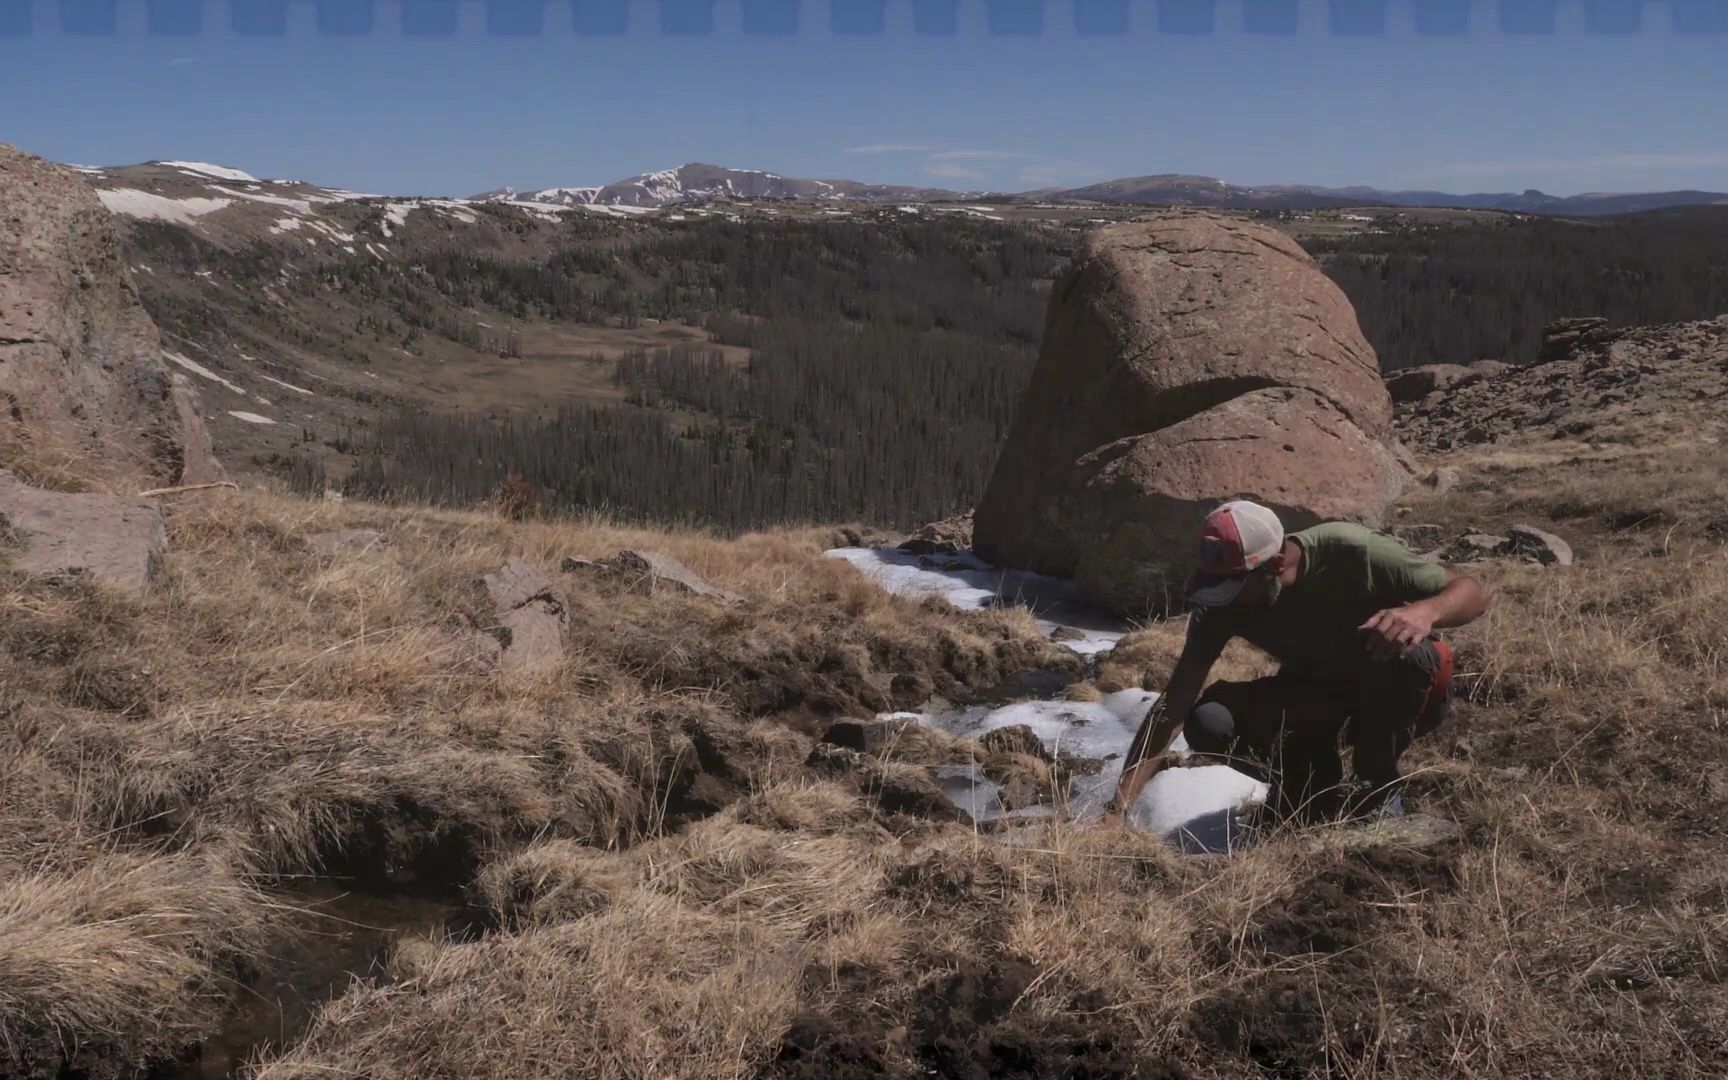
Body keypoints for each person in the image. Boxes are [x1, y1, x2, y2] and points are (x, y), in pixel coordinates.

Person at [1100, 499, 1489, 827]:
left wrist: (1426, 611)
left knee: (1409, 653)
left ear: (1274, 565)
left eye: (1237, 590)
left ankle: (1375, 791)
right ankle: (1309, 792)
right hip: (1316, 695)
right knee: (1210, 720)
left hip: (1394, 690)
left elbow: (1472, 593)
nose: (1227, 602)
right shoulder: (1222, 602)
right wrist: (1117, 810)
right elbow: (1175, 703)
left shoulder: (1350, 550)